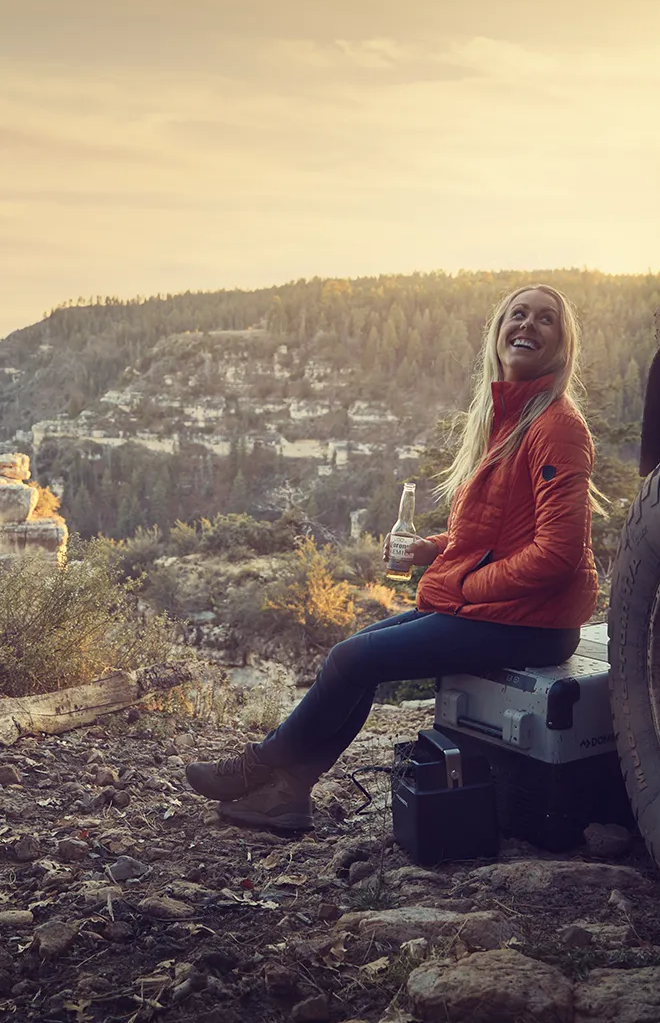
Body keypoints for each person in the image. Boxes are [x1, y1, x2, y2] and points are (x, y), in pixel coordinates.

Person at [185, 284, 603, 830]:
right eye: (517, 314)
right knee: (357, 656)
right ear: (497, 333)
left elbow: (559, 554)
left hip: (534, 623)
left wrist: (469, 586)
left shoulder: (557, 426)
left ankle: (260, 767)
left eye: (545, 319)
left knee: (350, 661)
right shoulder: (505, 419)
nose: (528, 325)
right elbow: (495, 537)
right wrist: (432, 550)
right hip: (501, 608)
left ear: (562, 344)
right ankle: (286, 795)